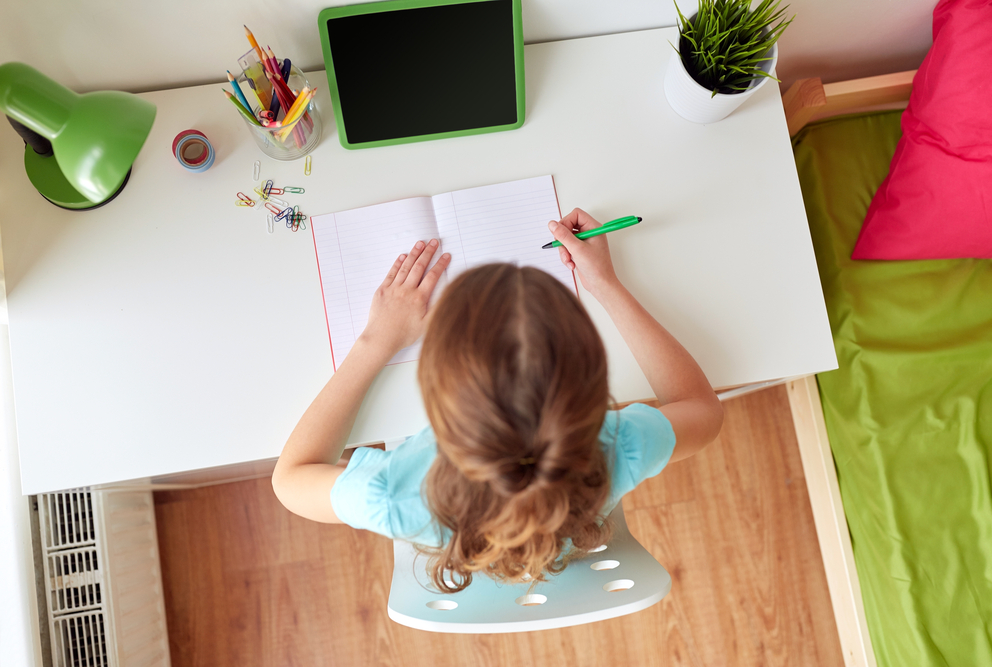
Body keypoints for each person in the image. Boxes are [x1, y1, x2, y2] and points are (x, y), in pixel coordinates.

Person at [272, 209, 724, 592]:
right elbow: (701, 408)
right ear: (589, 383)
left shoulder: (391, 495)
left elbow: (290, 480)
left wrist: (375, 342)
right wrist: (605, 284)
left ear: (436, 397)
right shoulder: (617, 444)